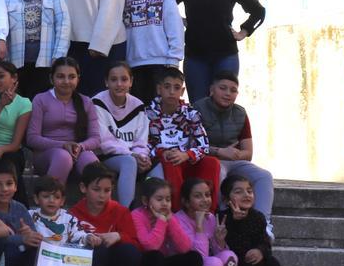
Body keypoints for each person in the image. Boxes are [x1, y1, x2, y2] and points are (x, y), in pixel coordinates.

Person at [173, 0, 265, 102]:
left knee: (223, 106)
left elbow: (258, 11)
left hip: (226, 56)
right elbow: (164, 7)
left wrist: (244, 31)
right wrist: (180, 20)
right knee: (199, 108)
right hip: (195, 58)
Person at [193, 71, 275, 231]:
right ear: (212, 89)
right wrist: (219, 151)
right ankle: (223, 220)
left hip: (235, 160)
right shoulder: (196, 109)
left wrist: (235, 154)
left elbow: (248, 153)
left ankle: (262, 224)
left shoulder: (240, 113)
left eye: (233, 90)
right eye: (223, 88)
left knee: (264, 176)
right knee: (219, 172)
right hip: (209, 159)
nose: (228, 93)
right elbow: (190, 145)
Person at [69, 163, 142, 266]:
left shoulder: (120, 211)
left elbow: (136, 243)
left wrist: (118, 236)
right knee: (98, 250)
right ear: (83, 188)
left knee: (130, 252)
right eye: (96, 190)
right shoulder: (74, 213)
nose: (102, 195)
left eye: (107, 190)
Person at [217, 174, 289, 266]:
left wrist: (260, 251)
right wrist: (236, 223)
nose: (246, 195)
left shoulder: (258, 217)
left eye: (249, 191)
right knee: (250, 261)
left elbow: (265, 242)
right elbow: (232, 248)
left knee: (272, 263)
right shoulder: (223, 218)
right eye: (238, 192)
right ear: (225, 199)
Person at [131, 177, 204, 266]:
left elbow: (185, 247)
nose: (165, 203)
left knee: (194, 257)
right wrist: (162, 222)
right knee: (154, 255)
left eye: (168, 199)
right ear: (145, 201)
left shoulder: (168, 217)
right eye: (159, 199)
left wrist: (170, 220)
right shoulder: (136, 215)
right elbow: (150, 246)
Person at [145, 67, 219, 212]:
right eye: (167, 87)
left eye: (176, 87)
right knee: (170, 160)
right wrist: (161, 153)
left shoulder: (191, 113)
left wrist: (186, 155)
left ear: (182, 91)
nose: (172, 92)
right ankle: (178, 213)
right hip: (162, 160)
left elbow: (203, 145)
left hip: (187, 158)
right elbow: (144, 144)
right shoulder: (147, 113)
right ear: (159, 89)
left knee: (212, 162)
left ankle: (208, 213)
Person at [25, 56, 101, 184]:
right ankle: (50, 200)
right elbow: (32, 138)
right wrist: (63, 145)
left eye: (71, 77)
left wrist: (80, 146)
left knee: (90, 160)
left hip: (77, 153)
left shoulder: (86, 102)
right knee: (63, 157)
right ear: (51, 78)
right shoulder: (40, 99)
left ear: (78, 79)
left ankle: (97, 203)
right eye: (60, 76)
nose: (66, 81)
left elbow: (96, 139)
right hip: (46, 155)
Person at [5, 0, 70, 99]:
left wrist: (58, 57)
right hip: (16, 63)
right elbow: (3, 32)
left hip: (45, 63)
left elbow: (63, 27)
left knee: (41, 105)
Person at [122, 0, 184, 103]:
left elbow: (174, 25)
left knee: (159, 114)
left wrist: (174, 59)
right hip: (133, 64)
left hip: (160, 63)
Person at [28, 175, 94, 266]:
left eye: (56, 197)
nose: (51, 201)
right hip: (42, 258)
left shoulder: (68, 218)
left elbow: (77, 233)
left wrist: (87, 237)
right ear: (36, 199)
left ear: (62, 201)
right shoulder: (31, 216)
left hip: (63, 259)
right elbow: (24, 231)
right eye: (46, 196)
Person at [174, 178, 238, 266]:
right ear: (186, 201)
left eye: (207, 195)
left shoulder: (210, 218)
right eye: (198, 196)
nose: (205, 200)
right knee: (214, 263)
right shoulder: (178, 220)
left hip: (206, 265)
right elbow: (199, 257)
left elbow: (216, 251)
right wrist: (199, 227)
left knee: (230, 257)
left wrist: (220, 240)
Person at [92, 61, 152, 208]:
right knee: (129, 162)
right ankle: (126, 213)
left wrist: (142, 157)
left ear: (131, 82)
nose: (119, 84)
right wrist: (132, 156)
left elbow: (141, 141)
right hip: (106, 156)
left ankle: (155, 215)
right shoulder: (97, 102)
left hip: (133, 155)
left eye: (124, 79)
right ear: (106, 82)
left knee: (158, 167)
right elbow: (103, 142)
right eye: (113, 80)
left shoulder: (138, 106)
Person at [0, 61, 33, 183]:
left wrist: (1, 149)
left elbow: (16, 144)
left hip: (10, 150)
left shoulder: (24, 103)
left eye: (0, 76)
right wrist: (0, 105)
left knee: (10, 166)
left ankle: (18, 201)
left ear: (14, 78)